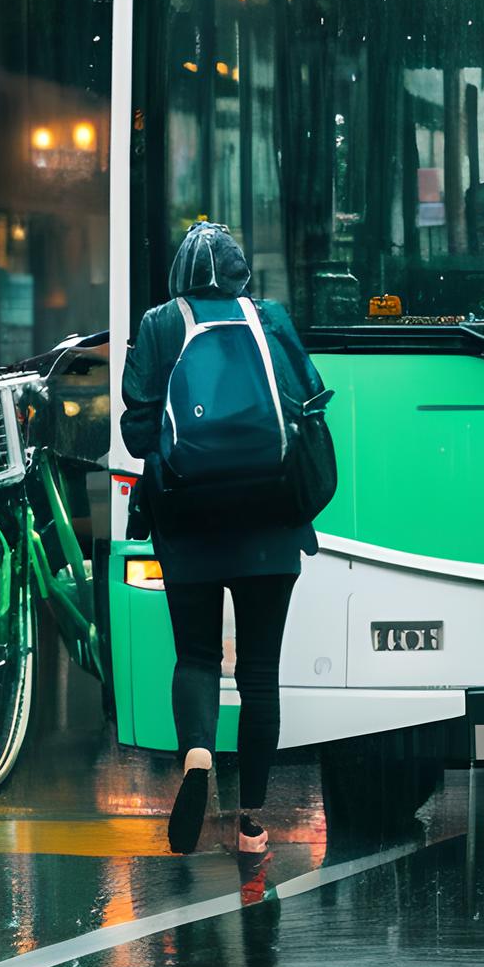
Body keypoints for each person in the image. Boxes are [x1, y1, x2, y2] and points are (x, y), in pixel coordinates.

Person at [119, 222, 324, 857]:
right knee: (261, 672)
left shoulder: (158, 325)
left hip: (188, 520)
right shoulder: (270, 318)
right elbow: (310, 400)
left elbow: (136, 430)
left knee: (198, 657)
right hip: (270, 520)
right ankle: (253, 824)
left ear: (180, 276)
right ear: (241, 274)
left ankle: (199, 755)